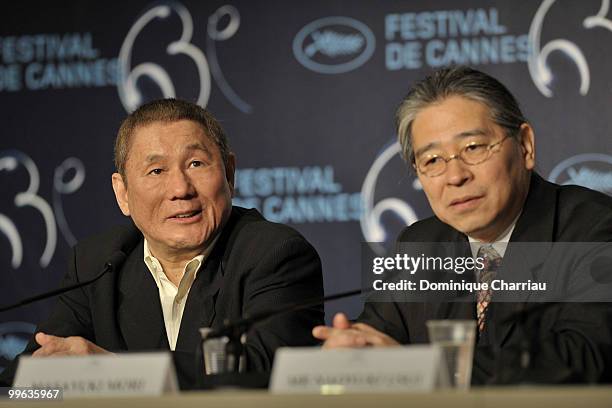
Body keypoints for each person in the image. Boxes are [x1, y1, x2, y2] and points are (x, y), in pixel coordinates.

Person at [313, 66, 612, 384]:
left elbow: (585, 357)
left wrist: (425, 367)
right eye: (432, 161)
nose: (455, 177)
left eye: (473, 148)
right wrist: (355, 348)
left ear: (525, 145)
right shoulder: (422, 245)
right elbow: (381, 337)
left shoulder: (593, 227)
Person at [1, 98, 324, 386]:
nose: (180, 188)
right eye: (156, 171)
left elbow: (267, 369)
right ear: (122, 193)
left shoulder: (274, 253)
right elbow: (29, 376)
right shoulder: (98, 262)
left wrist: (113, 373)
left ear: (229, 173)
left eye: (196, 164)